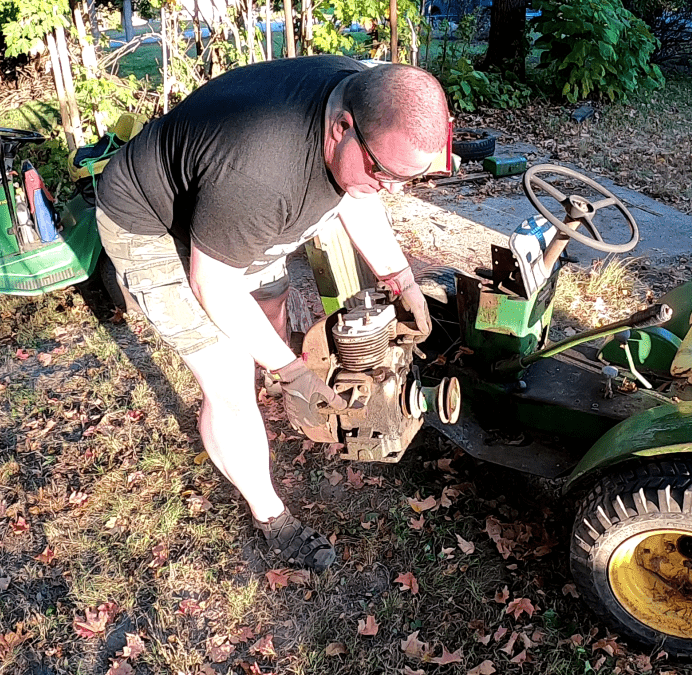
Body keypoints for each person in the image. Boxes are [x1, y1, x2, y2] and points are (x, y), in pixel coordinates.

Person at [95, 56, 449, 572]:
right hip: (150, 221)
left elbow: (360, 193)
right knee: (230, 380)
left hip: (231, 214)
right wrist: (291, 370)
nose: (393, 188)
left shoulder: (365, 97)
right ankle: (272, 517)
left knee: (271, 315)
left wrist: (402, 280)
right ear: (340, 128)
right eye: (384, 172)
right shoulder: (261, 172)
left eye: (406, 179)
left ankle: (270, 397)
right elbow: (213, 283)